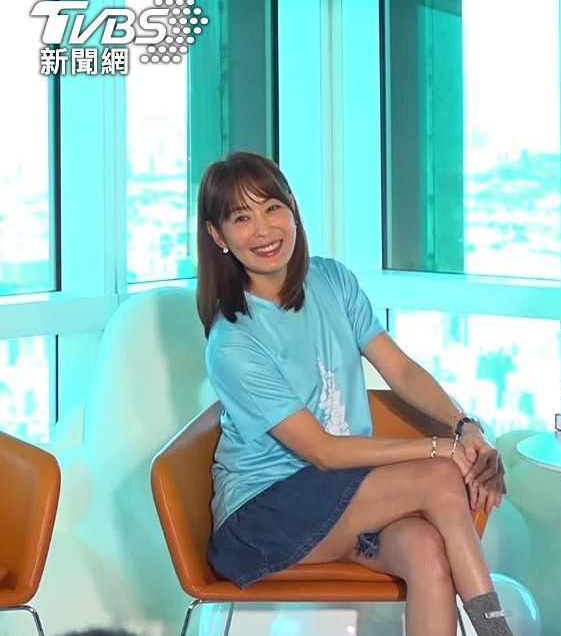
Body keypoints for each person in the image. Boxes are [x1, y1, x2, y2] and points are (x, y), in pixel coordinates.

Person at [196, 151, 512, 636]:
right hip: (262, 519)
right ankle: (498, 632)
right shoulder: (234, 342)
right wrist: (441, 449)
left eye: (272, 208)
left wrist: (465, 428)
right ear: (218, 236)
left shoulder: (331, 280)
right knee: (439, 476)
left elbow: (400, 370)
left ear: (292, 209)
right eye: (242, 218)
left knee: (427, 550)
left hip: (342, 499)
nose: (263, 229)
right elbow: (322, 451)